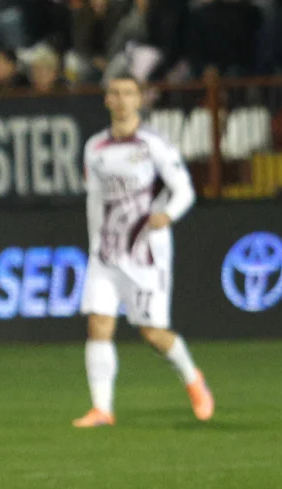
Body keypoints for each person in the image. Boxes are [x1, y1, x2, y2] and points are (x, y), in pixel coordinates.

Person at [75, 74, 213, 428]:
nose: (120, 99)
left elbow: (184, 189)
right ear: (106, 100)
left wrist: (167, 214)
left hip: (146, 254)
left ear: (139, 100)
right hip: (106, 251)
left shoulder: (154, 144)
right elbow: (94, 199)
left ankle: (192, 378)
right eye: (115, 93)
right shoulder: (94, 148)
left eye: (128, 93)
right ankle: (102, 409)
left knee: (152, 333)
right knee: (99, 323)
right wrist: (95, 241)